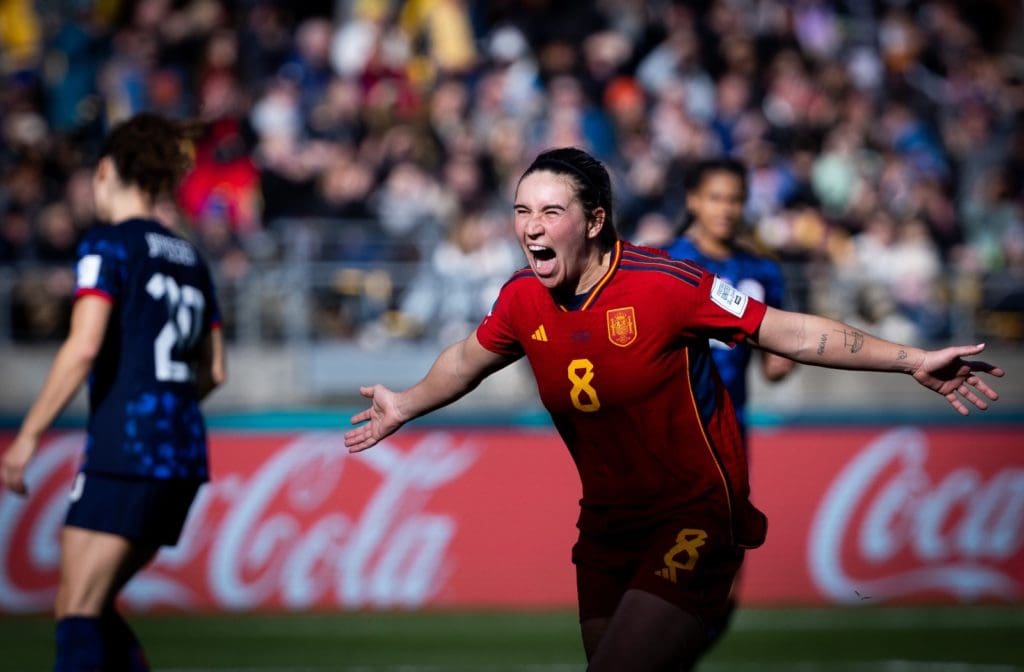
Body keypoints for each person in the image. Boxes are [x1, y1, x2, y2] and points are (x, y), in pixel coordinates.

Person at [343, 147, 1002, 671]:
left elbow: (789, 333)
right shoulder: (521, 300)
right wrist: (404, 403)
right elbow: (465, 360)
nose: (530, 228)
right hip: (605, 525)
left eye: (550, 212)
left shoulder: (667, 286)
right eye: (521, 211)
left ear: (595, 219)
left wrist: (912, 359)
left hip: (692, 514)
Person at [1, 113, 226, 672]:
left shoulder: (108, 243)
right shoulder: (192, 258)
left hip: (126, 448)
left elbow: (82, 347)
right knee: (91, 609)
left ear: (105, 172)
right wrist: (167, 408)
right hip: (183, 453)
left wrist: (28, 437)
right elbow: (215, 371)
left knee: (75, 611)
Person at [664, 157, 795, 439]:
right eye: (715, 198)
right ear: (693, 200)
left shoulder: (762, 271)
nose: (725, 209)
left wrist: (782, 362)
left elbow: (773, 363)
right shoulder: (664, 264)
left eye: (734, 200)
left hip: (731, 424)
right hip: (671, 427)